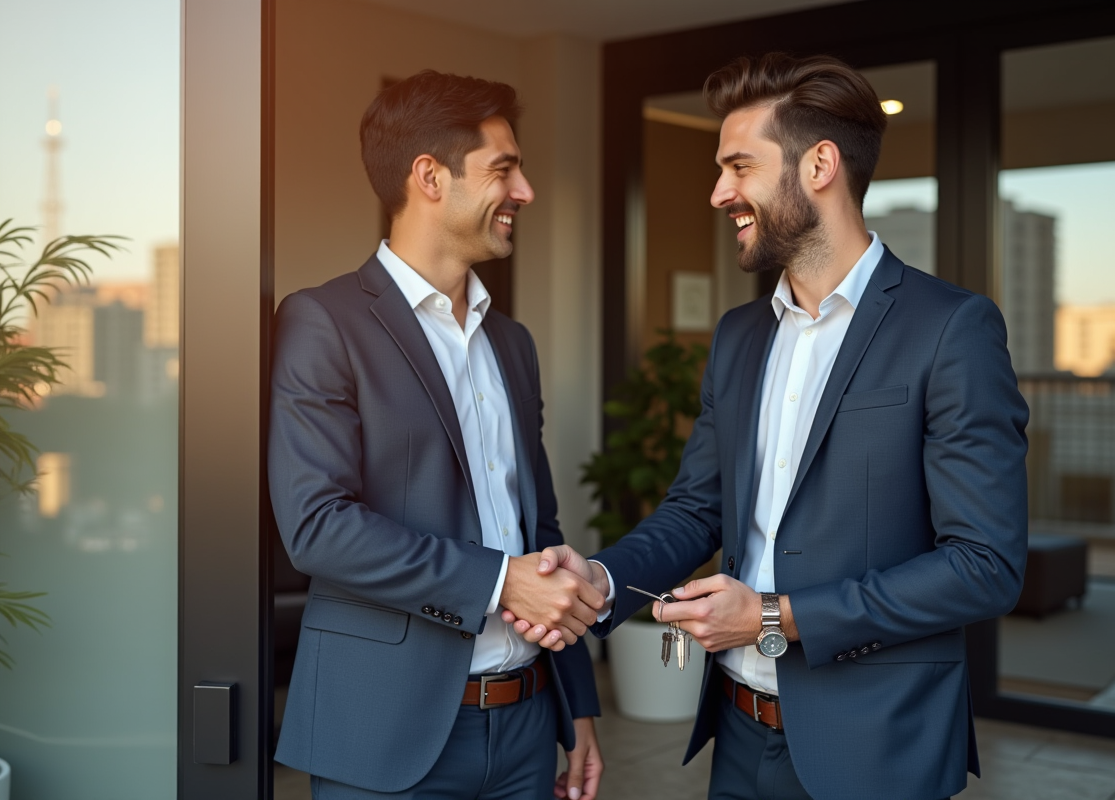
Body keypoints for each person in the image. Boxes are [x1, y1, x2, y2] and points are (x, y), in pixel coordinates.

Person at [507, 53, 1029, 800]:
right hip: (740, 739)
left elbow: (985, 564)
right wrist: (603, 579)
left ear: (820, 165)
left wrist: (775, 618)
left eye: (739, 166)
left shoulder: (951, 330)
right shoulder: (738, 335)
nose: (720, 191)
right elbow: (699, 508)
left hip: (879, 747)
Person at [269, 70, 605, 800]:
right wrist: (498, 580)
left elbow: (540, 532)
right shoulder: (323, 322)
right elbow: (318, 527)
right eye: (504, 169)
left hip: (524, 726)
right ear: (429, 176)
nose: (525, 192)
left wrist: (577, 704)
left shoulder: (513, 344)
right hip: (386, 731)